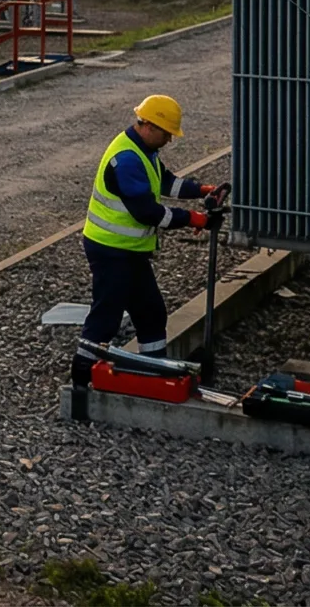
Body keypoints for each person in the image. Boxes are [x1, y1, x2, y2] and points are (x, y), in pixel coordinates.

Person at [69, 93, 222, 418]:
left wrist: (201, 190)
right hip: (111, 250)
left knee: (151, 313)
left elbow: (164, 181)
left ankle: (152, 372)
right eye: (167, 132)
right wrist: (192, 219)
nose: (169, 139)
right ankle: (80, 385)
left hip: (129, 251)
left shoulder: (143, 151)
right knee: (106, 316)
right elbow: (146, 212)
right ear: (149, 125)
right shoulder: (125, 160)